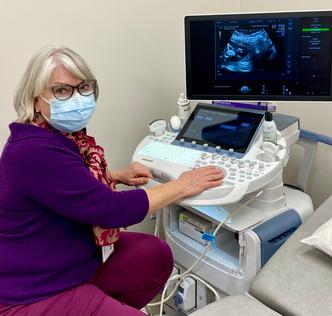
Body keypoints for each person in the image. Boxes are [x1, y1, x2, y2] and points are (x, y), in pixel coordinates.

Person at [0, 46, 224, 315]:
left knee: (155, 254)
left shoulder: (56, 136)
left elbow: (66, 187)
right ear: (36, 100)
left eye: (83, 87)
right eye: (61, 90)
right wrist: (183, 184)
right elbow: (112, 210)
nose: (76, 98)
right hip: (36, 289)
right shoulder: (34, 150)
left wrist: (114, 175)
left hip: (72, 261)